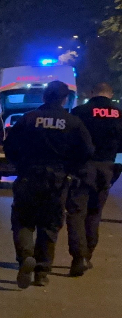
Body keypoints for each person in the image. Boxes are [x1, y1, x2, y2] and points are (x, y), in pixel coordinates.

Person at [2, 81, 93, 288]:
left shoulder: (29, 119)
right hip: (57, 180)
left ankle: (26, 257)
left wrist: (20, 165)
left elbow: (10, 146)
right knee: (49, 225)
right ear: (65, 99)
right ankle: (42, 272)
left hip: (29, 176)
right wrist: (70, 167)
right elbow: (87, 150)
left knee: (23, 221)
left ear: (44, 97)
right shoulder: (73, 122)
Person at [66, 82, 122, 276]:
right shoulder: (119, 113)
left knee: (76, 212)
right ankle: (88, 255)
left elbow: (69, 139)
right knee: (94, 213)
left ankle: (78, 257)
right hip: (107, 167)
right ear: (111, 94)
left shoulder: (79, 112)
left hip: (82, 167)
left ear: (91, 93)